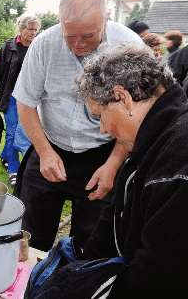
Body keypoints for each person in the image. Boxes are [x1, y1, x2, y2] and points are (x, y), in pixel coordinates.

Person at [13, 0, 142, 252]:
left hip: (103, 155)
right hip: (50, 147)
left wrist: (113, 165)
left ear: (106, 19)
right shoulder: (44, 43)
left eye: (88, 36)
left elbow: (136, 117)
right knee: (29, 235)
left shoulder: (129, 46)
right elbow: (25, 102)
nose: (79, 44)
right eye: (70, 35)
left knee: (93, 241)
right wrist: (45, 153)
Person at [75, 43, 187, 298]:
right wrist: (78, 273)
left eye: (100, 114)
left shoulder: (176, 164)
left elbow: (159, 275)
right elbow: (113, 219)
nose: (102, 128)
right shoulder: (151, 142)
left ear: (123, 98)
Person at [0, 14, 41, 186]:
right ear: (21, 28)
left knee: (22, 133)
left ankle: (5, 156)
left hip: (30, 100)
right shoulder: (8, 47)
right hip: (10, 97)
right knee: (12, 133)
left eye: (36, 30)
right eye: (30, 29)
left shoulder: (38, 47)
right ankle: (14, 171)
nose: (34, 33)